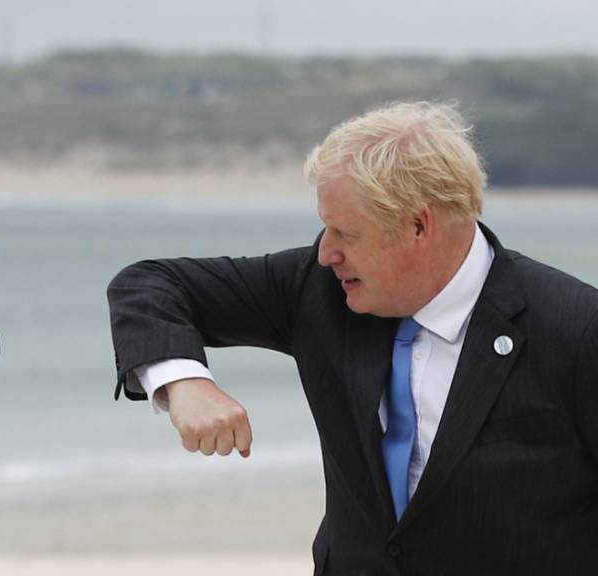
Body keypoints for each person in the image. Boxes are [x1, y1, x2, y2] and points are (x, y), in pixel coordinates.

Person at [107, 101, 598, 575]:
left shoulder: (577, 327)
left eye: (345, 233)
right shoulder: (315, 291)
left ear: (417, 225)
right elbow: (149, 283)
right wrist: (185, 380)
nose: (326, 253)